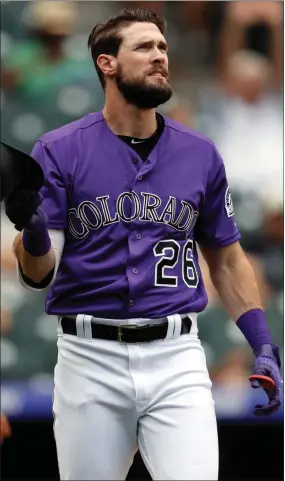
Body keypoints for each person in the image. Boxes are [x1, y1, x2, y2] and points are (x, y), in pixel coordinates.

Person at [5, 8, 283, 481]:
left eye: (163, 48)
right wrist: (32, 233)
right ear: (106, 64)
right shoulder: (58, 149)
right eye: (144, 47)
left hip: (176, 355)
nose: (159, 57)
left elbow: (229, 259)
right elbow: (37, 273)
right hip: (89, 357)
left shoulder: (199, 153)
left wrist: (262, 342)